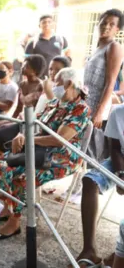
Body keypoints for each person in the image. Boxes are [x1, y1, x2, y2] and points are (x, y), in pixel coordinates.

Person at [0, 67, 90, 240]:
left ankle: (15, 221)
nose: (53, 86)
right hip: (39, 150)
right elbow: (34, 125)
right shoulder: (56, 104)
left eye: (57, 82)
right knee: (0, 165)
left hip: (62, 157)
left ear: (69, 84)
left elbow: (60, 139)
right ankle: (9, 205)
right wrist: (22, 135)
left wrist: (29, 140)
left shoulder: (80, 109)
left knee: (23, 176)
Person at [74, 104, 124, 268]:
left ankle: (116, 255)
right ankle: (89, 251)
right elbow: (115, 149)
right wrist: (120, 174)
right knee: (90, 180)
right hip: (121, 159)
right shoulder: (118, 112)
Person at [0, 56, 71, 156]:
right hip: (32, 121)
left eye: (57, 70)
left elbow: (54, 108)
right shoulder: (46, 84)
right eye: (50, 69)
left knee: (1, 134)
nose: (52, 72)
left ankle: (11, 159)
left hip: (39, 127)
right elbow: (37, 110)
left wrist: (26, 133)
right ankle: (8, 159)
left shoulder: (53, 89)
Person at [0, 55, 46, 150]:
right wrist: (12, 120)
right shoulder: (23, 84)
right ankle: (2, 157)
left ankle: (9, 156)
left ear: (35, 71)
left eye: (26, 66)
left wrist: (10, 125)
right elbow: (19, 108)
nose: (22, 67)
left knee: (1, 131)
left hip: (33, 121)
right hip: (22, 118)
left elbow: (40, 110)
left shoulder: (41, 86)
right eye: (23, 65)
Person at [84, 9, 124, 130]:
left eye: (112, 24)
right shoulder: (98, 47)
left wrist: (99, 112)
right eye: (104, 22)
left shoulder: (114, 47)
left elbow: (110, 82)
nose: (106, 26)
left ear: (117, 29)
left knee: (91, 146)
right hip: (86, 105)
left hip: (98, 108)